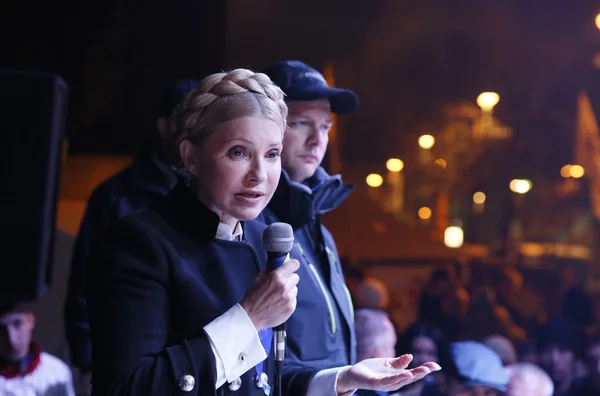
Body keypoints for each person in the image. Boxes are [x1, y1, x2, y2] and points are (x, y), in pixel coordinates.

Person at [85, 69, 440, 396]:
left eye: (272, 154)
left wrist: (340, 377)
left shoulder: (260, 237)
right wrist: (250, 317)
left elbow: (266, 376)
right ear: (190, 156)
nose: (259, 174)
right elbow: (127, 387)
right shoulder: (139, 243)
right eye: (238, 152)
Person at [64, 78, 199, 392]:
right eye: (186, 121)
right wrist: (87, 363)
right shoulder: (115, 196)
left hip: (195, 361)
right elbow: (84, 285)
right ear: (164, 126)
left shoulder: (215, 194)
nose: (195, 132)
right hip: (130, 360)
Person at [258, 60, 358, 371]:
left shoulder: (319, 228)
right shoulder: (246, 224)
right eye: (302, 123)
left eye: (325, 126)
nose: (318, 140)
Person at [0, 302, 75, 395]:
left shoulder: (56, 371)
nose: (11, 337)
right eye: (1, 329)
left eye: (17, 324)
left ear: (30, 321)